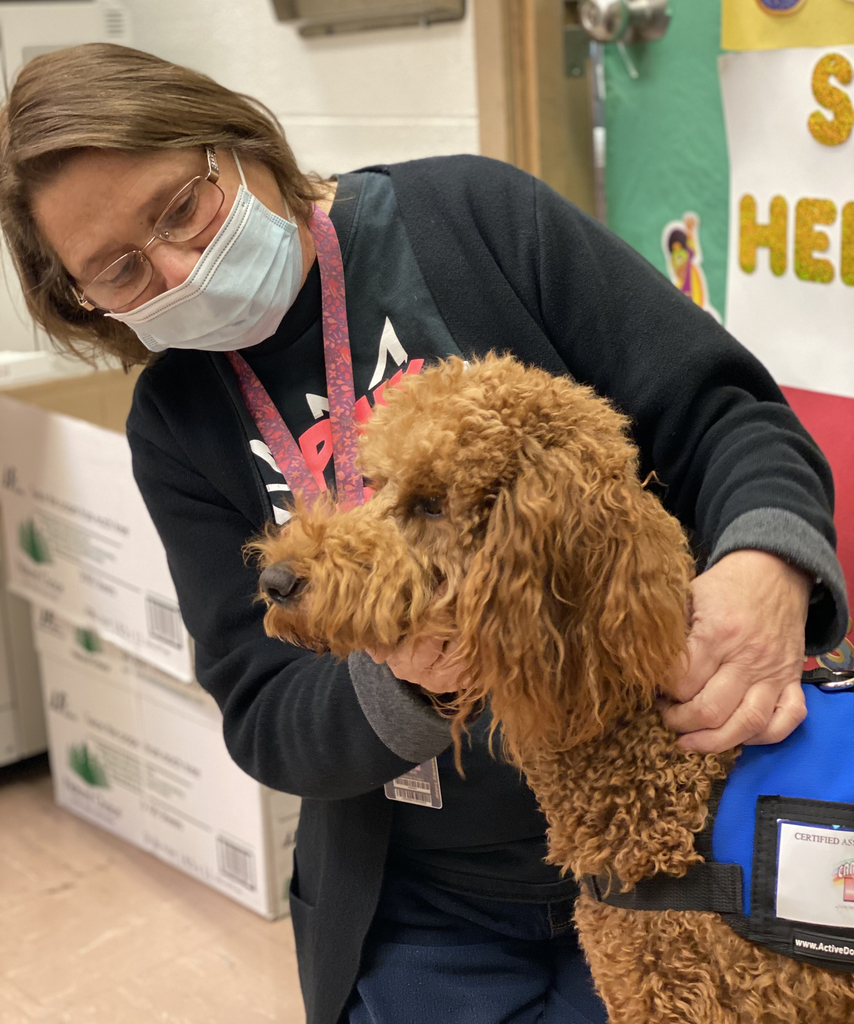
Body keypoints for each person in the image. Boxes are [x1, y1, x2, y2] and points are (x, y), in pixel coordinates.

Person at [0, 43, 847, 1024]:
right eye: (120, 271)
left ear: (239, 147)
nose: (179, 268)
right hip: (432, 888)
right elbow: (265, 714)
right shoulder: (176, 425)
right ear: (84, 303)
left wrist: (764, 565)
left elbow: (725, 415)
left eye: (180, 208)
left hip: (685, 820)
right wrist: (410, 675)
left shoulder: (474, 217)